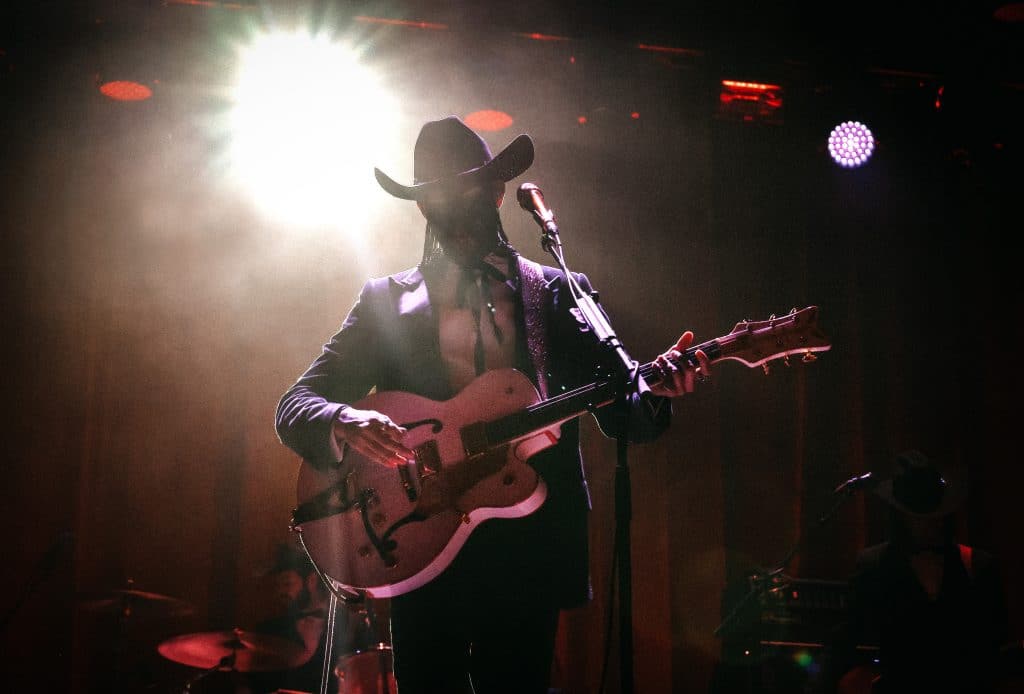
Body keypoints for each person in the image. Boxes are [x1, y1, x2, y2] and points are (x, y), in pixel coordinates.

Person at [274, 115, 710, 694]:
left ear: (496, 191)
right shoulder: (386, 302)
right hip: (418, 537)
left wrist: (656, 392)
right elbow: (297, 402)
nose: (448, 207)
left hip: (528, 546)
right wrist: (344, 419)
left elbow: (619, 412)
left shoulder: (559, 293)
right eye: (433, 197)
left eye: (462, 190)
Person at [832, 449, 1009, 694]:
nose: (931, 523)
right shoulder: (872, 565)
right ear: (901, 517)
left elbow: (997, 643)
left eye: (936, 515)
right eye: (920, 516)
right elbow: (848, 637)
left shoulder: (979, 566)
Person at [247, 541, 379, 694]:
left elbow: (367, 678)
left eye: (287, 583)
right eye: (277, 586)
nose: (280, 592)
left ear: (311, 581)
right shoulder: (269, 631)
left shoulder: (352, 624)